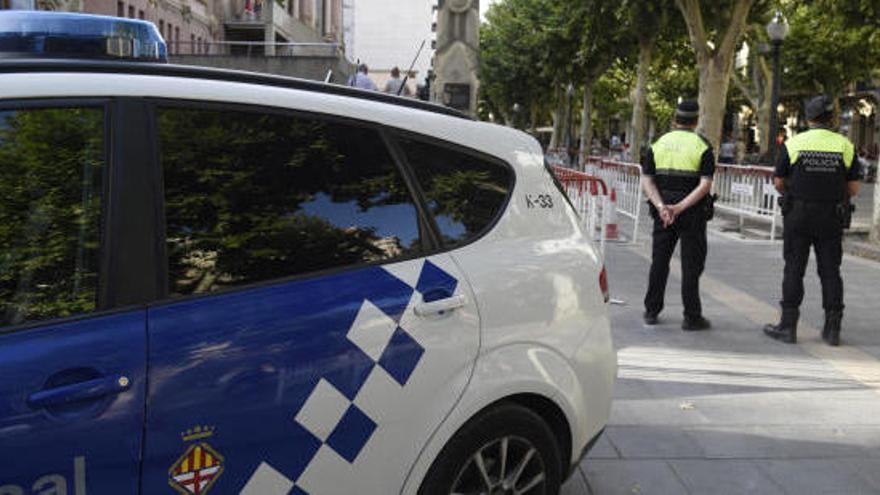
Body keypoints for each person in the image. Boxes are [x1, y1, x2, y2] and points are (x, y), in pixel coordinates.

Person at [763, 95, 860, 346]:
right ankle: (832, 329)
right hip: (831, 216)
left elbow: (779, 181)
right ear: (832, 119)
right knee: (830, 271)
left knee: (794, 269)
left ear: (808, 118)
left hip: (798, 215)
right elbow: (854, 188)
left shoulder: (794, 143)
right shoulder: (845, 145)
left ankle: (788, 326)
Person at [641, 100, 715, 330]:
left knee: (659, 261)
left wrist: (663, 207)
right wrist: (680, 207)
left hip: (663, 214)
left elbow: (647, 180)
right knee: (691, 265)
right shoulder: (703, 146)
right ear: (696, 121)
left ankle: (651, 311)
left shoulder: (658, 144)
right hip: (692, 214)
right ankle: (692, 317)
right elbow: (705, 184)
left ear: (675, 119)